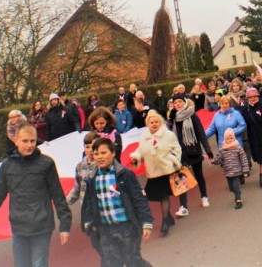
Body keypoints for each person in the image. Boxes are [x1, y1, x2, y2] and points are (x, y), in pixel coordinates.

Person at [0, 124, 72, 267]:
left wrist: (65, 226)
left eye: (32, 141)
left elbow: (58, 195)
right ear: (15, 140)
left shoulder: (46, 164)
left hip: (41, 225)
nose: (29, 145)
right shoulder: (7, 165)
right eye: (25, 141)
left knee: (38, 264)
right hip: (19, 226)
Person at [82, 138, 153, 266]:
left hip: (126, 227)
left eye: (103, 153)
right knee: (111, 263)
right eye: (96, 154)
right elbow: (89, 201)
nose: (99, 157)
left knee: (133, 260)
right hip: (105, 228)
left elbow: (139, 199)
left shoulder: (124, 174)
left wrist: (146, 222)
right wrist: (88, 221)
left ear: (113, 153)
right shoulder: (92, 177)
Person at [129, 110, 182, 235]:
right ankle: (168, 216)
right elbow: (140, 151)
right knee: (157, 196)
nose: (154, 124)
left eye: (156, 122)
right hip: (153, 172)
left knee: (164, 196)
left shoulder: (168, 135)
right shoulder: (144, 137)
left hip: (166, 170)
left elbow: (177, 149)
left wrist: (172, 158)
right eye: (151, 122)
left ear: (161, 122)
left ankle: (165, 222)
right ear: (148, 124)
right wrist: (136, 157)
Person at [166, 94, 214, 216]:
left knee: (199, 175)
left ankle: (204, 196)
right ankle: (183, 206)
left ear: (185, 102)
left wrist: (208, 150)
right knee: (181, 178)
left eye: (180, 102)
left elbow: (201, 133)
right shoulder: (173, 117)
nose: (177, 104)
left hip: (193, 150)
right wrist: (170, 120)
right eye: (175, 102)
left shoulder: (192, 116)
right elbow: (168, 134)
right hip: (180, 153)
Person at [238, 88, 262, 188]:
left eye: (254, 96)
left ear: (258, 96)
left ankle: (261, 176)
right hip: (252, 135)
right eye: (250, 97)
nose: (252, 98)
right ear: (247, 98)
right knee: (258, 156)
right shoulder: (244, 109)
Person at [211, 128, 250, 209]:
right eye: (227, 139)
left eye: (231, 138)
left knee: (235, 185)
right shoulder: (222, 149)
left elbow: (244, 159)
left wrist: (245, 169)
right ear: (224, 139)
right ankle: (236, 192)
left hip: (236, 171)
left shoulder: (238, 148)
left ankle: (238, 200)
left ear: (234, 138)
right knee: (231, 188)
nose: (229, 140)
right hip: (228, 171)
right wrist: (213, 161)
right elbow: (218, 159)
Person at [66, 132, 100, 205]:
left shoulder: (102, 164)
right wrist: (65, 203)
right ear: (84, 148)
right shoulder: (79, 166)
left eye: (93, 146)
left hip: (99, 204)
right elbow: (77, 188)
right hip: (86, 206)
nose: (90, 150)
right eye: (87, 147)